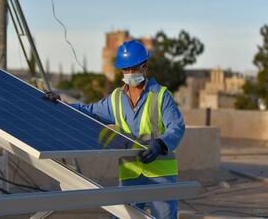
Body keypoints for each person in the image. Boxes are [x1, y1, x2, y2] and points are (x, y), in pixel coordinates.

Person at [46, 40, 185, 219]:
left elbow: (177, 126)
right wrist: (63, 105)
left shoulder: (161, 95)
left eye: (132, 69)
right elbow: (90, 112)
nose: (128, 73)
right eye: (125, 70)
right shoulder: (116, 99)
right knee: (123, 216)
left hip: (161, 174)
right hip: (131, 173)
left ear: (144, 67)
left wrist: (160, 144)